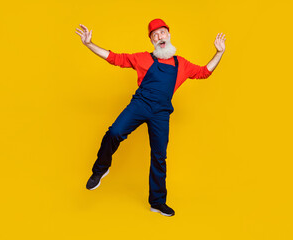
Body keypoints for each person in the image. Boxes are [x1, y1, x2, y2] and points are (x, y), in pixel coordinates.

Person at [75, 19, 226, 217]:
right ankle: (101, 169)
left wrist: (219, 52)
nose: (159, 37)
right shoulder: (143, 59)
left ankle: (157, 202)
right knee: (114, 132)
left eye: (162, 32)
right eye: (154, 35)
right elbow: (114, 58)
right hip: (140, 105)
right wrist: (89, 44)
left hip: (161, 113)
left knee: (159, 157)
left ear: (168, 35)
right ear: (152, 41)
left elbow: (204, 73)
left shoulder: (182, 64)